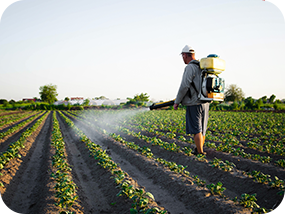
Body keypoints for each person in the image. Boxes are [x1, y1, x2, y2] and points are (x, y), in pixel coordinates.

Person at [173, 45, 209, 155]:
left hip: (194, 102)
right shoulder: (202, 67)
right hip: (205, 101)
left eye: (182, 56)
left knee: (196, 128)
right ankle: (200, 149)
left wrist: (177, 101)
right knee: (202, 128)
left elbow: (184, 85)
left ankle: (200, 152)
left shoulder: (190, 67)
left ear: (184, 55)